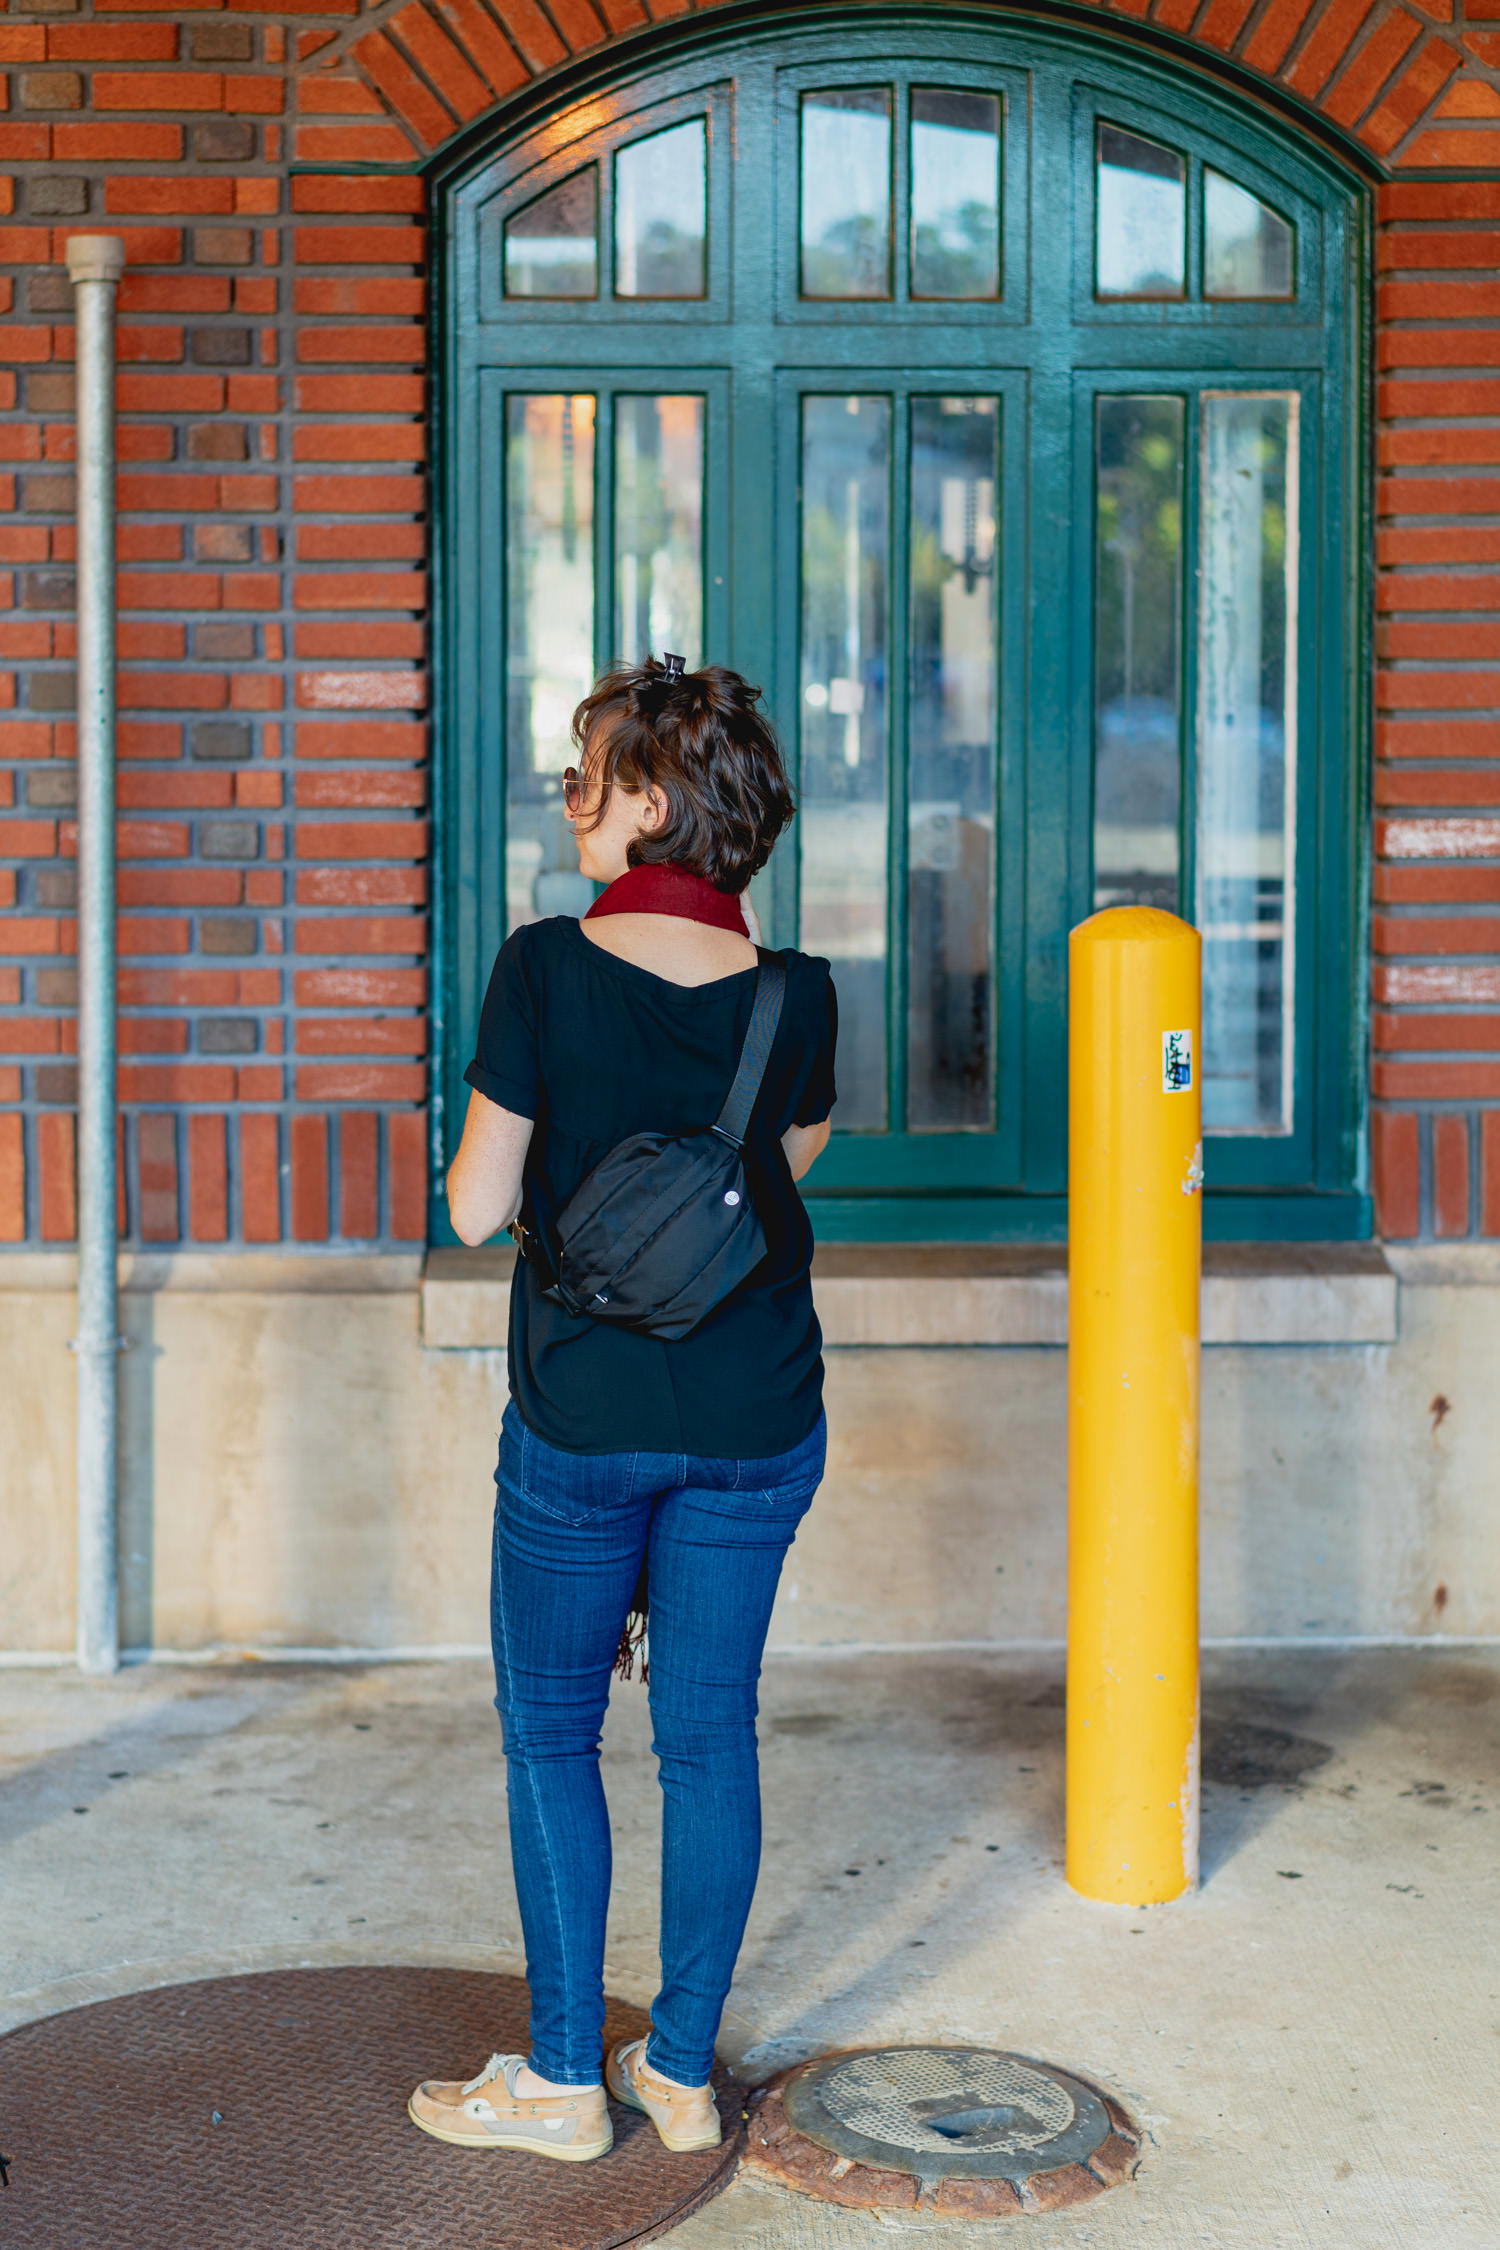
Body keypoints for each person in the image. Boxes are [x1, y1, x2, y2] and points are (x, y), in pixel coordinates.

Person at [408, 657, 839, 2163]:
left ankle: (555, 2081)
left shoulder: (542, 966)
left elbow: (474, 1209)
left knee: (551, 1731)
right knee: (710, 1736)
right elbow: (787, 1160)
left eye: (586, 774)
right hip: (757, 1412)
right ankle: (676, 2071)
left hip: (583, 1422)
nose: (569, 796)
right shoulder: (799, 995)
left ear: (652, 802)